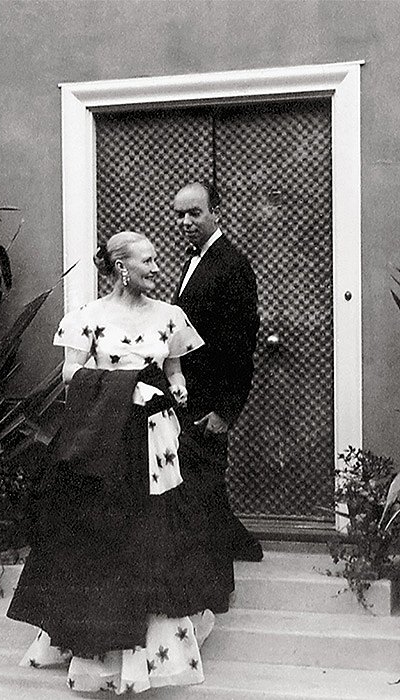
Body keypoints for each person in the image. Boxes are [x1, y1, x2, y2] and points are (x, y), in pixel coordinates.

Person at [7, 231, 235, 695]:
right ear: (121, 268)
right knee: (110, 539)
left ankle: (155, 652)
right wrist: (125, 381)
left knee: (158, 533)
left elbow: (173, 368)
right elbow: (71, 373)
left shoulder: (170, 317)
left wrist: (178, 384)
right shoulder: (88, 319)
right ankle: (101, 649)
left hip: (159, 444)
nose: (157, 268)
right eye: (148, 261)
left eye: (157, 259)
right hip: (106, 445)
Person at [173, 181, 263, 562]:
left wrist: (227, 410)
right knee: (199, 478)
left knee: (204, 477)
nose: (187, 221)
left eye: (195, 213)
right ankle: (236, 546)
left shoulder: (231, 264)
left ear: (216, 214)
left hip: (211, 395)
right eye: (180, 214)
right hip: (189, 390)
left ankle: (232, 551)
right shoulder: (195, 260)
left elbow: (242, 344)